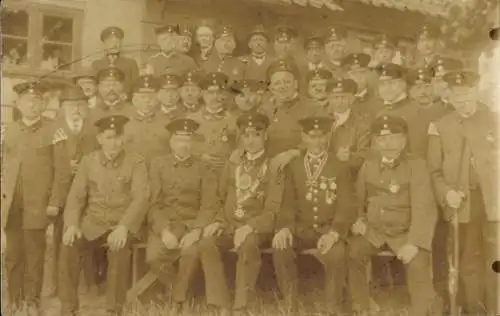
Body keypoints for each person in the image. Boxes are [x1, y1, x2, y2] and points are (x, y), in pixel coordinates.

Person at [348, 115, 441, 316]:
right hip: (376, 231)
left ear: (404, 140)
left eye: (393, 137)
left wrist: (414, 243)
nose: (387, 143)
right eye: (381, 139)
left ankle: (422, 311)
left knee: (417, 265)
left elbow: (423, 208)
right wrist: (359, 219)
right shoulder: (369, 165)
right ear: (374, 142)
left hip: (405, 233)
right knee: (354, 252)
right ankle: (362, 306)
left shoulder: (417, 165)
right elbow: (358, 199)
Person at [58, 115, 150, 315]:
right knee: (69, 245)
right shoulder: (88, 161)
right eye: (109, 137)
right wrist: (72, 225)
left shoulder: (136, 162)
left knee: (118, 249)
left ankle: (113, 309)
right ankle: (68, 307)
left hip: (122, 224)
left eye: (118, 138)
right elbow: (76, 197)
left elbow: (141, 198)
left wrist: (124, 226)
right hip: (93, 223)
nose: (114, 143)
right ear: (99, 139)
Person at [427, 70, 499, 315]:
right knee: (468, 256)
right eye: (457, 97)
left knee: (494, 254)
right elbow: (434, 170)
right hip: (462, 202)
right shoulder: (440, 126)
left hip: (493, 201)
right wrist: (447, 193)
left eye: (466, 96)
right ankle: (472, 306)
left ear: (476, 92)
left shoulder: (493, 119)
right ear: (450, 96)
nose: (462, 102)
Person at [272, 116, 356, 315]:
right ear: (304, 138)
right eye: (312, 137)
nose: (317, 142)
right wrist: (284, 227)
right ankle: (289, 304)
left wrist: (335, 233)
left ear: (327, 138)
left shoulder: (340, 166)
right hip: (301, 229)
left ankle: (332, 308)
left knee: (336, 254)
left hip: (328, 229)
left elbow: (346, 205)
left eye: (321, 137)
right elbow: (288, 203)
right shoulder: (294, 166)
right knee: (281, 247)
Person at [198, 113, 280, 316]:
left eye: (256, 135)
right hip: (229, 224)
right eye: (246, 135)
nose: (250, 140)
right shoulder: (233, 163)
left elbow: (273, 208)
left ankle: (242, 306)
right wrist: (217, 221)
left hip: (256, 227)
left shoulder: (273, 166)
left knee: (248, 243)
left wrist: (250, 226)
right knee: (207, 243)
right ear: (241, 138)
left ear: (265, 136)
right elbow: (220, 197)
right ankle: (220, 303)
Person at [2, 80, 71, 314]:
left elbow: (62, 172)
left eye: (37, 101)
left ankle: (31, 301)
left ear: (43, 104)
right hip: (12, 204)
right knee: (12, 254)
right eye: (27, 101)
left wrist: (54, 202)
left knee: (34, 254)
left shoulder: (54, 130)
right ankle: (13, 299)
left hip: (38, 205)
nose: (32, 105)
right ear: (18, 104)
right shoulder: (10, 129)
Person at [146, 118, 219, 313]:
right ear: (171, 142)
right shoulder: (158, 165)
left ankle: (178, 301)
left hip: (191, 224)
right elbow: (154, 204)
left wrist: (196, 231)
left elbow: (209, 204)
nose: (184, 145)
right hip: (166, 224)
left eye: (188, 140)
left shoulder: (203, 167)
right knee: (154, 256)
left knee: (190, 253)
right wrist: (163, 231)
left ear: (193, 143)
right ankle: (179, 290)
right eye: (179, 140)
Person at [51, 84, 101, 296]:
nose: (76, 109)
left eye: (80, 104)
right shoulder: (53, 128)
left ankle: (90, 282)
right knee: (60, 238)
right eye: (70, 105)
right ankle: (58, 284)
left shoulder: (94, 128)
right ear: (62, 107)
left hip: (88, 192)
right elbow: (46, 162)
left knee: (87, 236)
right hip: (61, 191)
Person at [187, 71, 237, 172]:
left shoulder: (233, 120)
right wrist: (200, 156)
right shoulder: (191, 119)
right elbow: (184, 146)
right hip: (198, 171)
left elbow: (240, 146)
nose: (215, 97)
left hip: (225, 172)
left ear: (225, 95)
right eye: (210, 92)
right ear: (202, 94)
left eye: (219, 92)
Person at [326, 77, 370, 175]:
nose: (340, 102)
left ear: (352, 99)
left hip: (349, 174)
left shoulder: (362, 125)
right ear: (329, 99)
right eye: (335, 97)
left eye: (344, 97)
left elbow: (364, 155)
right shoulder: (321, 118)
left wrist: (350, 157)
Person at [124, 74, 171, 163]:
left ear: (157, 99)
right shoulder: (125, 121)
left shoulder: (166, 121)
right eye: (143, 97)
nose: (147, 100)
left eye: (151, 97)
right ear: (135, 100)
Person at [406, 67, 449, 157]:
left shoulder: (445, 112)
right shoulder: (406, 116)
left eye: (427, 87)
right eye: (418, 88)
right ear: (410, 92)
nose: (423, 92)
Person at [91, 26, 139, 96]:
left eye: (118, 42)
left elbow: (135, 86)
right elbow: (95, 86)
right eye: (111, 42)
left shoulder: (131, 63)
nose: (115, 45)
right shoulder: (96, 64)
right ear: (104, 44)